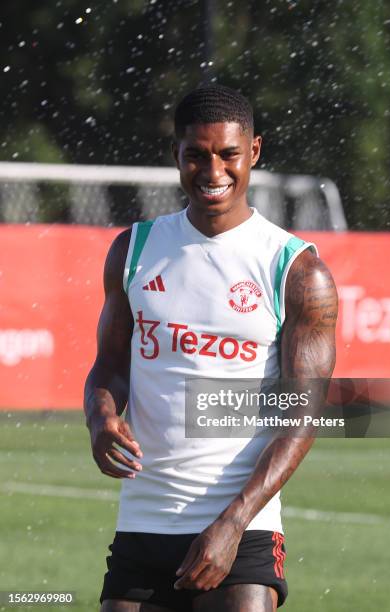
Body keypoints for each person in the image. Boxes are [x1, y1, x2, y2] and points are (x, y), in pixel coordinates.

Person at [84, 84, 338, 612]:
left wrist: (233, 521)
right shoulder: (132, 251)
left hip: (243, 526)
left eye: (228, 154)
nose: (213, 171)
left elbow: (302, 417)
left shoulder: (296, 270)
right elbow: (109, 367)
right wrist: (100, 417)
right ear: (175, 154)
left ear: (255, 152)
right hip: (144, 518)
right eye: (196, 155)